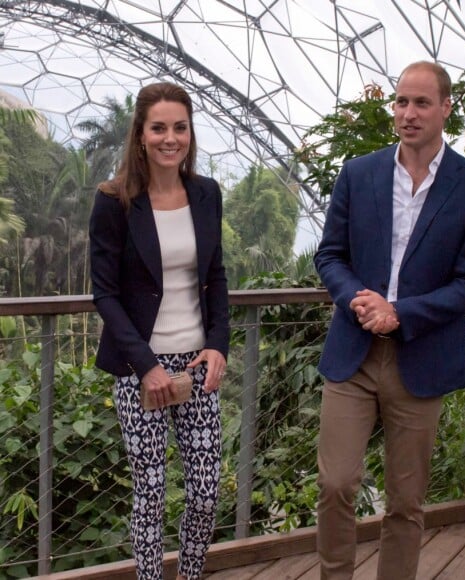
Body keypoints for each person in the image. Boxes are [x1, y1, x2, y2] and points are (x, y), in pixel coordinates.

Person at [314, 61, 465, 580]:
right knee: (336, 484)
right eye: (401, 102)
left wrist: (399, 313)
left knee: (406, 499)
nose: (408, 113)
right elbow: (330, 256)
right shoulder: (359, 173)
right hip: (353, 353)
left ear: (446, 108)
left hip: (421, 357)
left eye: (421, 103)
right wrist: (359, 300)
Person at [89, 81, 229, 580]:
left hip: (196, 364)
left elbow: (215, 276)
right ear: (141, 134)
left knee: (206, 490)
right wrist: (146, 366)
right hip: (139, 368)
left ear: (190, 132)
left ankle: (189, 575)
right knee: (149, 492)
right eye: (159, 128)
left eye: (180, 127)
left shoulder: (206, 194)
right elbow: (104, 292)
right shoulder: (115, 201)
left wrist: (218, 346)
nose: (170, 138)